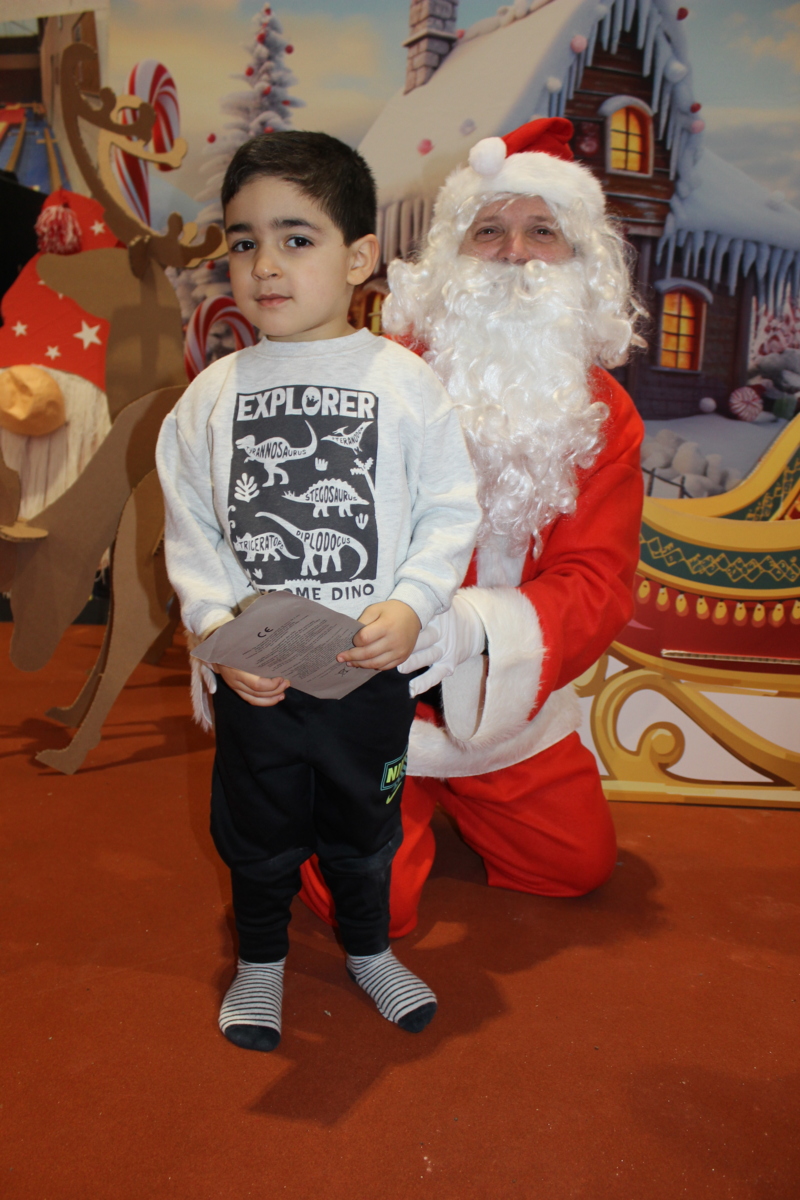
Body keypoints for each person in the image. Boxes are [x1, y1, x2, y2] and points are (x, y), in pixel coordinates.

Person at [156, 131, 481, 1051]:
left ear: (359, 256)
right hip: (260, 677)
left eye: (296, 238)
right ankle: (260, 962)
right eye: (244, 240)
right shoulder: (210, 396)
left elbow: (448, 508)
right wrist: (216, 631)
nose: (265, 264)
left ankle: (369, 949)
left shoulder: (406, 383)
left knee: (364, 830)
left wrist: (413, 602)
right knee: (256, 834)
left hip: (364, 673)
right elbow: (193, 531)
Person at [299, 117, 645, 937]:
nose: (516, 254)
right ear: (450, 255)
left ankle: (462, 791)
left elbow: (597, 581)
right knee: (370, 908)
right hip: (375, 698)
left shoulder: (605, 414)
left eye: (542, 231)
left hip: (504, 707)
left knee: (576, 864)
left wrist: (476, 629)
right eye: (489, 230)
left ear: (581, 258)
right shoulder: (380, 378)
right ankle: (329, 794)